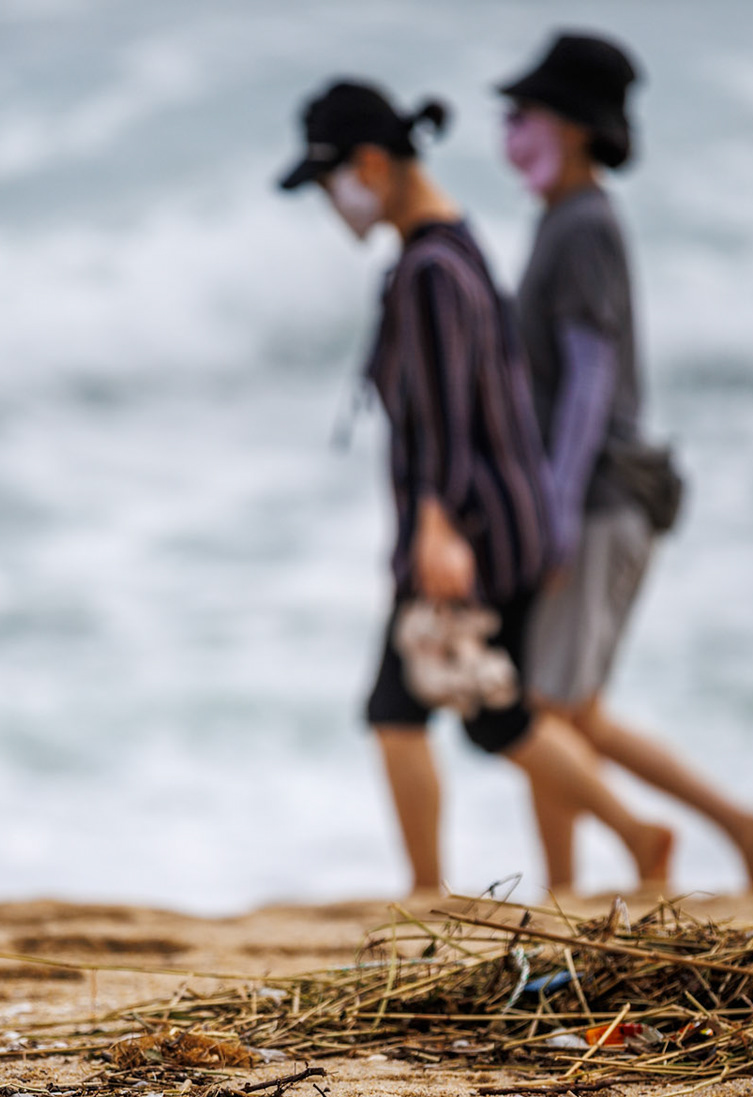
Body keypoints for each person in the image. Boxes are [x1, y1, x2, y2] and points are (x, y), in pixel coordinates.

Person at [276, 79, 675, 896]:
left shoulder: (429, 270)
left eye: (331, 184)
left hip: (466, 528)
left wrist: (436, 524)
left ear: (372, 165)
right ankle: (635, 837)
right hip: (494, 520)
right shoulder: (457, 248)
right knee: (495, 713)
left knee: (400, 711)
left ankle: (433, 895)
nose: (332, 206)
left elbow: (445, 417)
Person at [498, 34, 753, 893]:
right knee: (574, 709)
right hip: (598, 496)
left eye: (526, 113)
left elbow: (591, 377)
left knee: (542, 712)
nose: (511, 130)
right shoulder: (564, 217)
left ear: (575, 126)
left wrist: (553, 513)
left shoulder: (585, 224)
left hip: (595, 499)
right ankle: (745, 829)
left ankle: (562, 892)